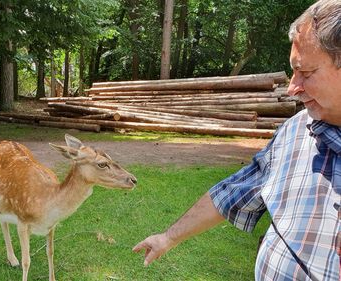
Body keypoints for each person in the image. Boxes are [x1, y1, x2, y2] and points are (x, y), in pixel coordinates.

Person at [132, 0, 341, 280]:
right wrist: (168, 238)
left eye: (305, 73)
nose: (293, 88)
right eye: (293, 71)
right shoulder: (295, 130)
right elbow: (234, 192)